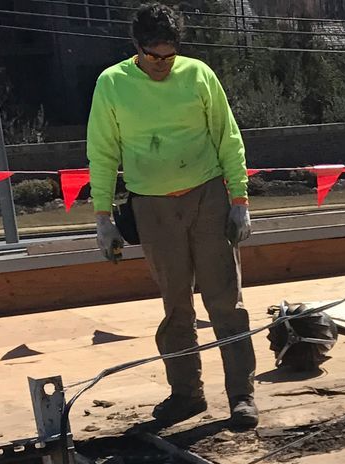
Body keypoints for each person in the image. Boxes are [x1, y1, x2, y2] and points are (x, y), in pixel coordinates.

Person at [87, 3, 257, 430]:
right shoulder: (112, 84)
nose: (161, 64)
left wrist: (239, 200)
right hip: (152, 206)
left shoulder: (199, 75)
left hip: (208, 196)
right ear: (136, 46)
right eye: (152, 55)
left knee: (225, 300)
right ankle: (186, 394)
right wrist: (103, 217)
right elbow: (103, 152)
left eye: (169, 55)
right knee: (176, 306)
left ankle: (241, 394)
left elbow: (227, 137)